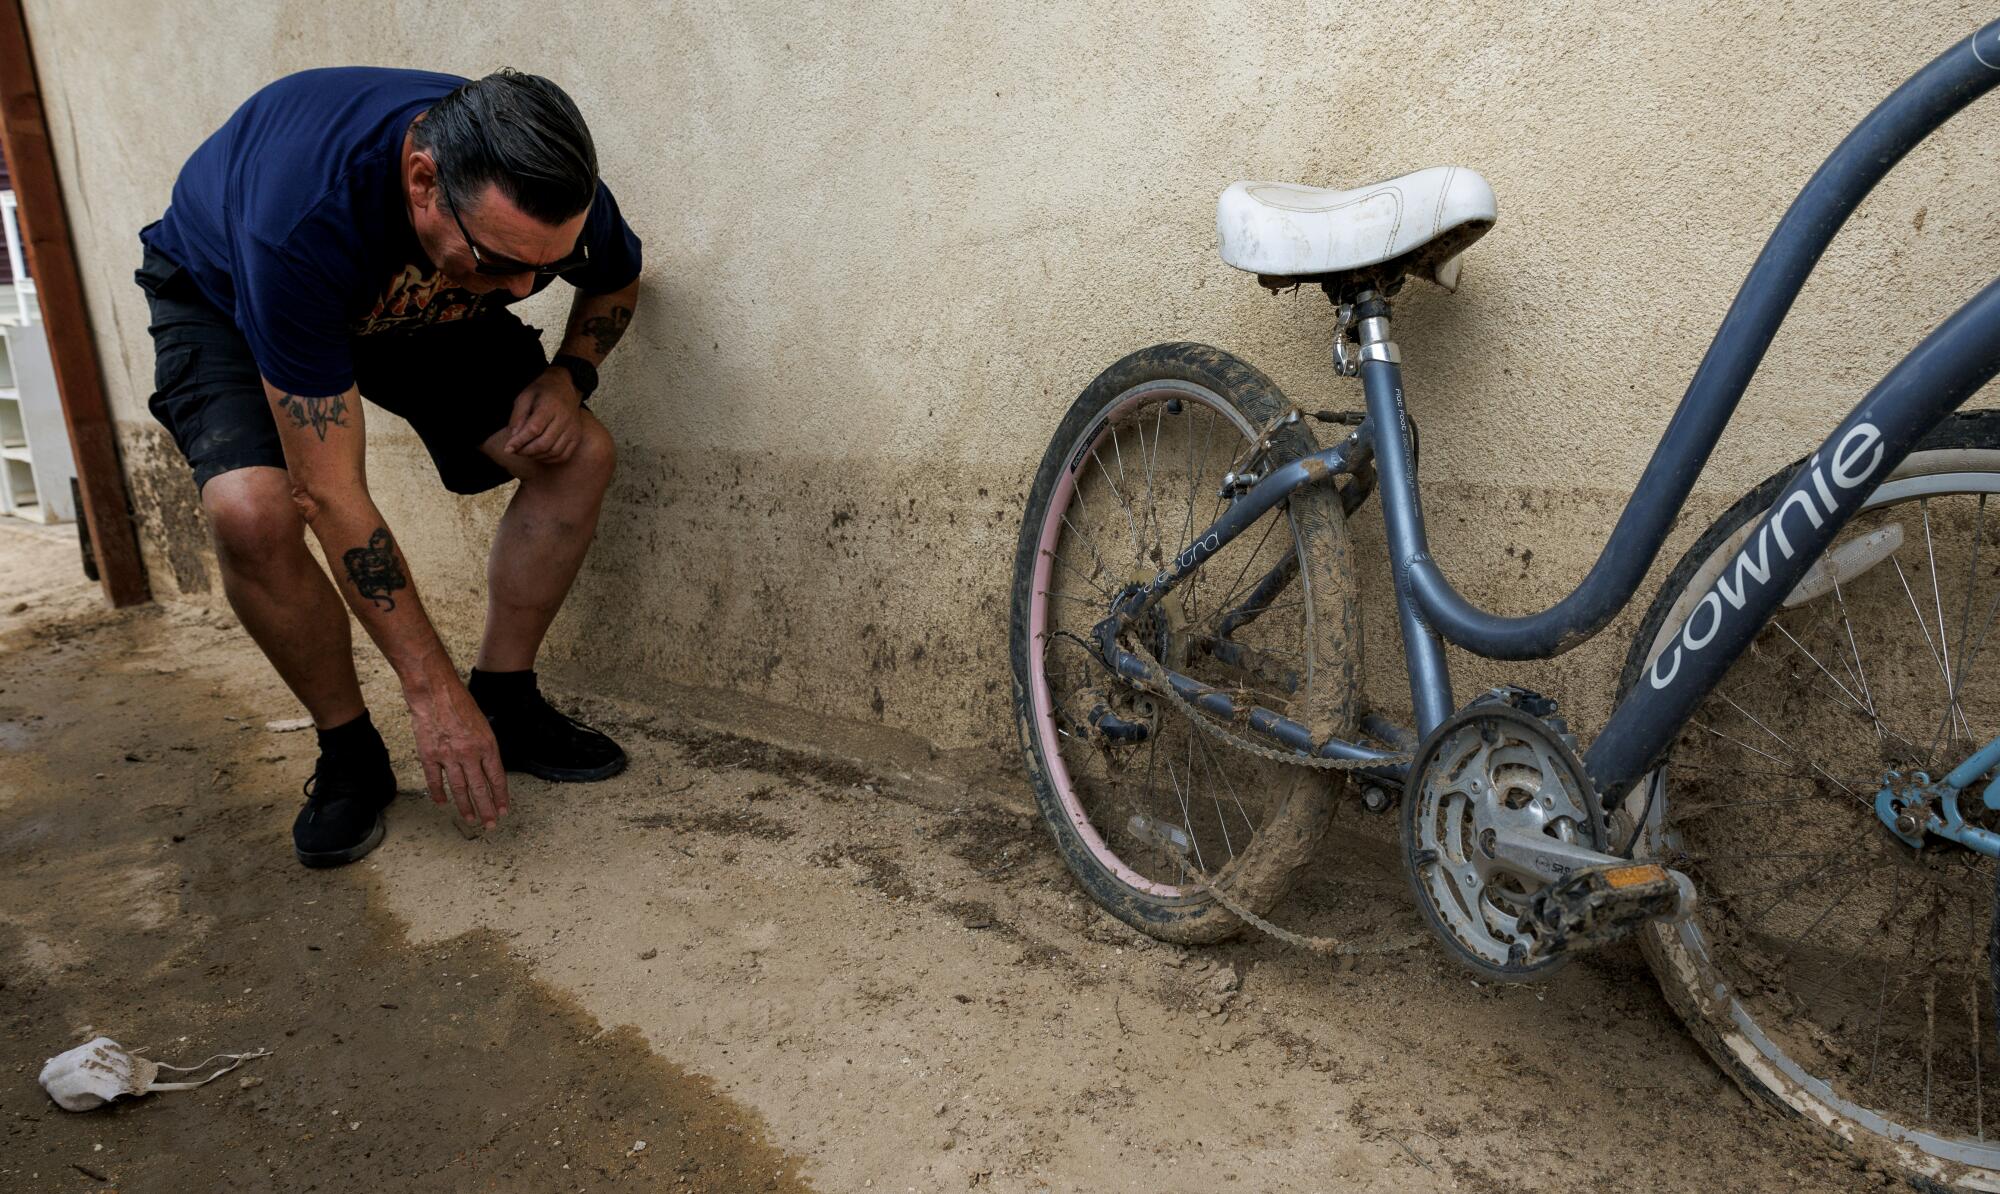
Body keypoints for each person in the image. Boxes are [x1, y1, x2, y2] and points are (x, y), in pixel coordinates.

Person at [135, 67, 641, 867]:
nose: (520, 290)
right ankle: (349, 754)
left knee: (579, 452)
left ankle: (505, 701)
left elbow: (614, 275)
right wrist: (429, 694)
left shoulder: (539, 187)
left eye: (543, 268)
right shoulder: (301, 223)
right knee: (252, 511)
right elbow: (330, 491)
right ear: (422, 182)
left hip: (414, 286)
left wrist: (568, 374)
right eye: (503, 262)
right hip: (228, 294)